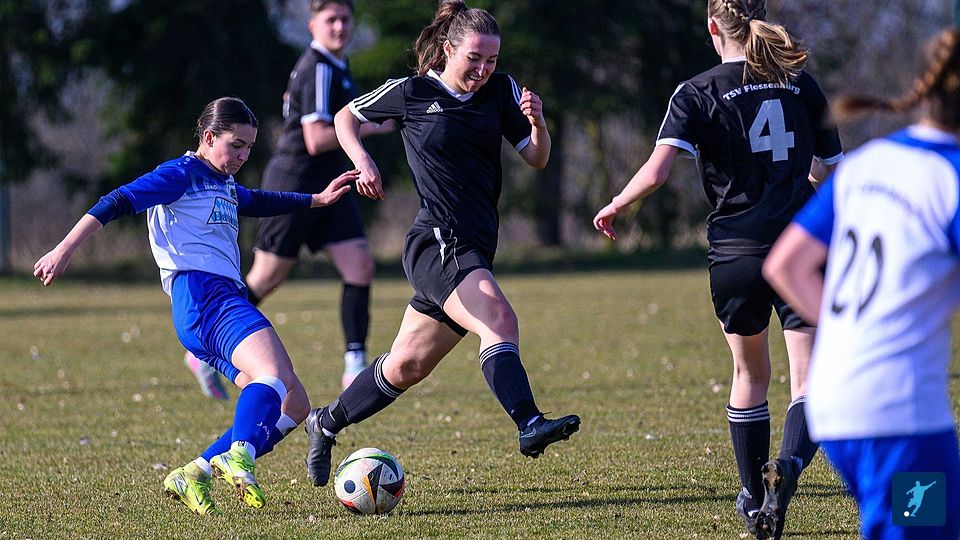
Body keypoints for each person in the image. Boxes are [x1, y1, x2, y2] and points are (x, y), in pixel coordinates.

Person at [33, 97, 360, 515]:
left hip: (209, 305)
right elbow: (117, 200)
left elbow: (257, 200)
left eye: (249, 147)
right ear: (208, 137)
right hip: (204, 295)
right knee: (274, 374)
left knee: (293, 403)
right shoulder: (181, 174)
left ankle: (197, 470)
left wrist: (316, 200)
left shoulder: (222, 182)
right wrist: (63, 249)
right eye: (235, 145)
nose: (243, 156)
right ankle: (239, 454)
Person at [301, 0, 580, 488]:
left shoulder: (501, 91)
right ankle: (529, 421)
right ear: (448, 49)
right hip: (438, 242)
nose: (483, 69)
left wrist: (538, 124)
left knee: (406, 365)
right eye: (474, 58)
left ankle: (324, 422)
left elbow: (536, 158)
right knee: (499, 319)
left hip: (477, 245)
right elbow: (345, 117)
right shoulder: (413, 92)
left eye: (491, 60)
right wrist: (363, 162)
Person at [592, 1, 842, 538]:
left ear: (712, 27)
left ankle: (753, 497)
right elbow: (830, 169)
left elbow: (657, 172)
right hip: (801, 251)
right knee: (810, 381)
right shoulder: (801, 83)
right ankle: (788, 468)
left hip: (736, 253)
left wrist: (616, 204)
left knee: (750, 375)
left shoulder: (697, 90)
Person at [762, 27, 960, 540]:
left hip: (835, 403)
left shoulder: (870, 161)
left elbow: (786, 265)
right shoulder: (951, 177)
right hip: (898, 417)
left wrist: (854, 334)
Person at [182, 0, 394, 398]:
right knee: (267, 276)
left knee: (360, 266)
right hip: (297, 181)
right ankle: (206, 348)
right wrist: (373, 127)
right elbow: (315, 139)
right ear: (313, 25)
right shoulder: (318, 67)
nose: (339, 27)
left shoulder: (335, 66)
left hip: (331, 184)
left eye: (345, 19)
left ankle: (355, 365)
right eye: (331, 20)